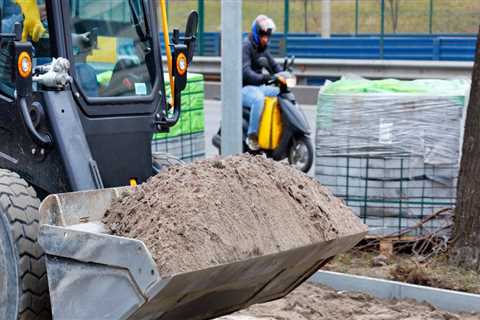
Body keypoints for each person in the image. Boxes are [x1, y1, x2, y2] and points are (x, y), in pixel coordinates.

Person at [242, 14, 282, 151]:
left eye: (268, 36)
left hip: (257, 86)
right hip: (244, 88)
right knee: (258, 99)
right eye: (263, 35)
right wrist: (264, 78)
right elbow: (246, 72)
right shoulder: (246, 46)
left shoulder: (262, 48)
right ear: (256, 33)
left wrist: (283, 75)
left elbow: (274, 66)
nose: (266, 39)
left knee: (279, 90)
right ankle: (252, 136)